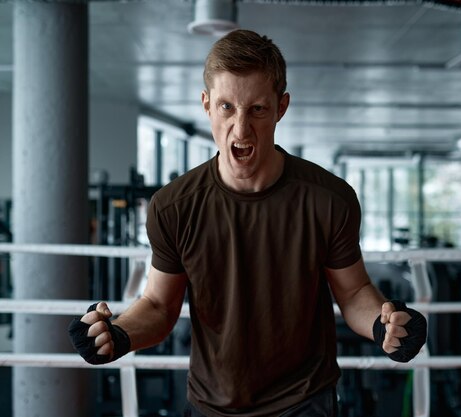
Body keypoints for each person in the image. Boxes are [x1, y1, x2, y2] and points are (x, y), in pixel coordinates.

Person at [68, 29, 427, 417]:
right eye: (226, 107)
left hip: (304, 402)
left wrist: (385, 324)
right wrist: (118, 334)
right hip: (212, 403)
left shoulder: (328, 198)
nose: (241, 129)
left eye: (257, 109)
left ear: (281, 107)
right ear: (206, 105)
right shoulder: (174, 206)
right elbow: (158, 305)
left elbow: (355, 292)